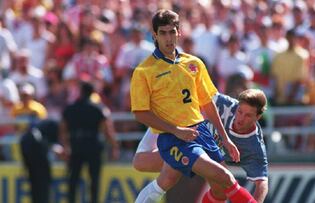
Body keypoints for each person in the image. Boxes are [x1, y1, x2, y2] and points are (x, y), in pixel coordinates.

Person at [130, 9, 256, 203]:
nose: (168, 38)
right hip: (174, 137)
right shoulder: (144, 70)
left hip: (200, 131)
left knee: (218, 188)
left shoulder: (194, 63)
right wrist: (176, 130)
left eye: (172, 32)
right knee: (225, 178)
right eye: (163, 33)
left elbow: (207, 103)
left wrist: (225, 139)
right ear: (154, 35)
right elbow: (140, 113)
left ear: (179, 32)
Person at [134, 89, 269, 203]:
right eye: (240, 111)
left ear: (258, 117)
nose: (240, 118)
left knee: (220, 190)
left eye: (248, 115)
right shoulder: (224, 104)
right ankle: (157, 127)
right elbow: (190, 97)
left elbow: (262, 183)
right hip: (184, 135)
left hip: (205, 153)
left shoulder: (254, 145)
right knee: (142, 164)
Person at [59, 81, 119, 203]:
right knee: (94, 181)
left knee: (73, 180)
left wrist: (65, 146)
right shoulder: (98, 108)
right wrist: (114, 147)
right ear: (92, 93)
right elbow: (107, 130)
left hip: (75, 145)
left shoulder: (70, 108)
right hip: (93, 146)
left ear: (81, 92)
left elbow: (63, 130)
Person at [20, 119, 63, 203]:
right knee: (42, 181)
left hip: (29, 146)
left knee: (36, 182)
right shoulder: (53, 126)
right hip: (34, 149)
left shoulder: (46, 128)